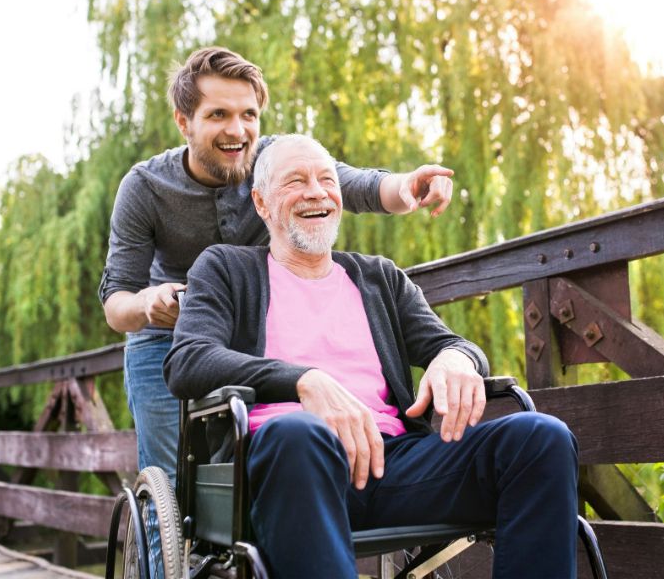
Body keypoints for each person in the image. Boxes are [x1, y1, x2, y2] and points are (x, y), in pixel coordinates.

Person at [164, 134, 581, 578]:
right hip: (287, 463)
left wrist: (457, 359)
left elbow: (451, 343)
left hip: (395, 461)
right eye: (296, 181)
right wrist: (304, 381)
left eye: (327, 180)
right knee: (298, 433)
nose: (316, 191)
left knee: (541, 438)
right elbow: (189, 360)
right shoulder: (226, 268)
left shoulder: (378, 277)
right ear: (263, 204)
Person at [99, 46, 456, 486]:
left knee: (256, 467)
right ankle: (172, 552)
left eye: (249, 115)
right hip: (166, 341)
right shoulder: (145, 187)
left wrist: (410, 186)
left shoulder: (275, 163)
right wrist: (149, 303)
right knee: (173, 483)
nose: (237, 130)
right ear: (183, 121)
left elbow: (359, 185)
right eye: (218, 115)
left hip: (250, 330)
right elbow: (116, 306)